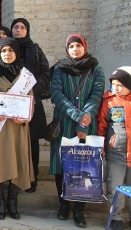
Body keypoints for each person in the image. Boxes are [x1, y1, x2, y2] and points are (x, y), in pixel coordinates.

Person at [49, 34, 105, 228]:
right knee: (61, 165)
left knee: (84, 166)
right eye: (71, 46)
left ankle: (79, 210)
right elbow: (56, 93)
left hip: (86, 126)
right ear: (67, 50)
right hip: (64, 122)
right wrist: (75, 114)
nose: (75, 49)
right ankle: (63, 205)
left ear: (84, 47)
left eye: (78, 46)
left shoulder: (95, 68)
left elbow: (96, 95)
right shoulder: (59, 68)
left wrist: (82, 124)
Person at [0, 37, 34, 221]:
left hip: (18, 126)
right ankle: (0, 202)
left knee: (18, 161)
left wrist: (26, 117)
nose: (7, 54)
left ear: (16, 52)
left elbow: (31, 101)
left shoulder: (25, 75)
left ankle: (13, 200)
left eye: (11, 50)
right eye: (4, 51)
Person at [10, 18, 50, 193]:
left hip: (31, 100)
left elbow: (44, 72)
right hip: (11, 101)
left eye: (22, 27)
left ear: (27, 30)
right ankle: (14, 176)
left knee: (32, 140)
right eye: (16, 27)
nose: (19, 30)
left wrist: (34, 90)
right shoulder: (6, 48)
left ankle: (32, 177)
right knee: (13, 140)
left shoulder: (35, 50)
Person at [98, 66, 131, 230]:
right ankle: (116, 217)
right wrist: (103, 145)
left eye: (120, 85)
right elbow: (102, 126)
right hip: (116, 152)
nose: (116, 88)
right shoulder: (109, 101)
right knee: (115, 186)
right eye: (114, 84)